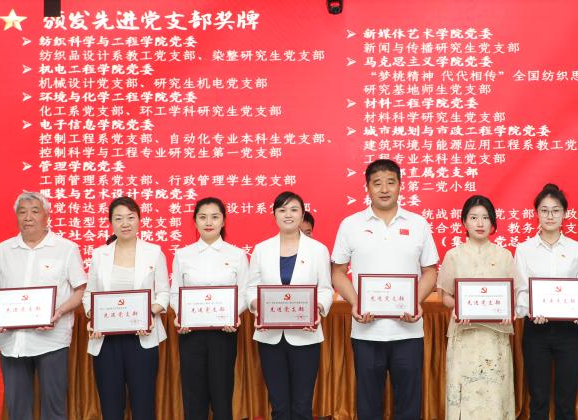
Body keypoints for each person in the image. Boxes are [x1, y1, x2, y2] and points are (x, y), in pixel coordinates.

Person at [331, 159, 438, 420]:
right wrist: (356, 302)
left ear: (400, 185)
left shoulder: (418, 224)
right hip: (366, 331)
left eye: (391, 182)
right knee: (368, 406)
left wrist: (415, 302)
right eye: (377, 183)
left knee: (409, 405)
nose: (384, 189)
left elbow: (430, 271)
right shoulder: (351, 224)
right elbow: (337, 272)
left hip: (408, 330)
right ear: (367, 187)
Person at [0, 192, 86, 420]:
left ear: (47, 216)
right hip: (13, 342)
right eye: (22, 212)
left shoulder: (66, 248)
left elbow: (80, 291)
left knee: (54, 409)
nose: (28, 217)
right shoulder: (3, 250)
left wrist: (59, 312)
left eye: (35, 211)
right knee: (17, 410)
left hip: (52, 341)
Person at [513, 184, 578, 420]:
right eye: (544, 210)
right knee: (538, 397)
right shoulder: (524, 249)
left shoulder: (576, 249)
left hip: (568, 331)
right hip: (536, 330)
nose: (550, 216)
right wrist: (531, 311)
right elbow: (521, 290)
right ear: (536, 213)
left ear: (564, 214)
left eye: (555, 210)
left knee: (566, 398)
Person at [247, 191, 333, 420]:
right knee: (279, 405)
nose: (288, 215)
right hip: (270, 337)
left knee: (302, 405)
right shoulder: (261, 249)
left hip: (306, 336)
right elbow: (251, 287)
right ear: (274, 215)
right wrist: (258, 307)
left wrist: (317, 309)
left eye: (294, 210)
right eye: (282, 210)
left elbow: (325, 289)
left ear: (302, 215)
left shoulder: (318, 249)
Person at [82, 197, 169, 420]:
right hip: (106, 340)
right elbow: (89, 294)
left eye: (130, 217)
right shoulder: (99, 254)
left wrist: (148, 314)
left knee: (143, 405)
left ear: (139, 219)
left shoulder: (154, 252)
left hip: (143, 337)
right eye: (118, 218)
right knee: (111, 406)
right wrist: (94, 317)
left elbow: (164, 294)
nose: (125, 223)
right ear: (110, 222)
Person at [437, 195, 517, 420]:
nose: (480, 223)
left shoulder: (504, 256)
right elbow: (445, 296)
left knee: (494, 394)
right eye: (473, 218)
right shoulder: (454, 255)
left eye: (485, 217)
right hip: (464, 335)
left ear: (493, 222)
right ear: (464, 221)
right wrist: (457, 307)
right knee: (465, 393)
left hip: (495, 336)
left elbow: (512, 295)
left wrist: (509, 311)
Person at [169, 197, 248, 420]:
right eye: (202, 217)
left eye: (215, 217)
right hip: (191, 333)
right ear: (195, 222)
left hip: (224, 332)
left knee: (222, 396)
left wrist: (233, 315)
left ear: (224, 221)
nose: (208, 222)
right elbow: (175, 293)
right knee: (194, 397)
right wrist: (181, 315)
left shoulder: (237, 255)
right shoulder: (183, 255)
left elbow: (244, 292)